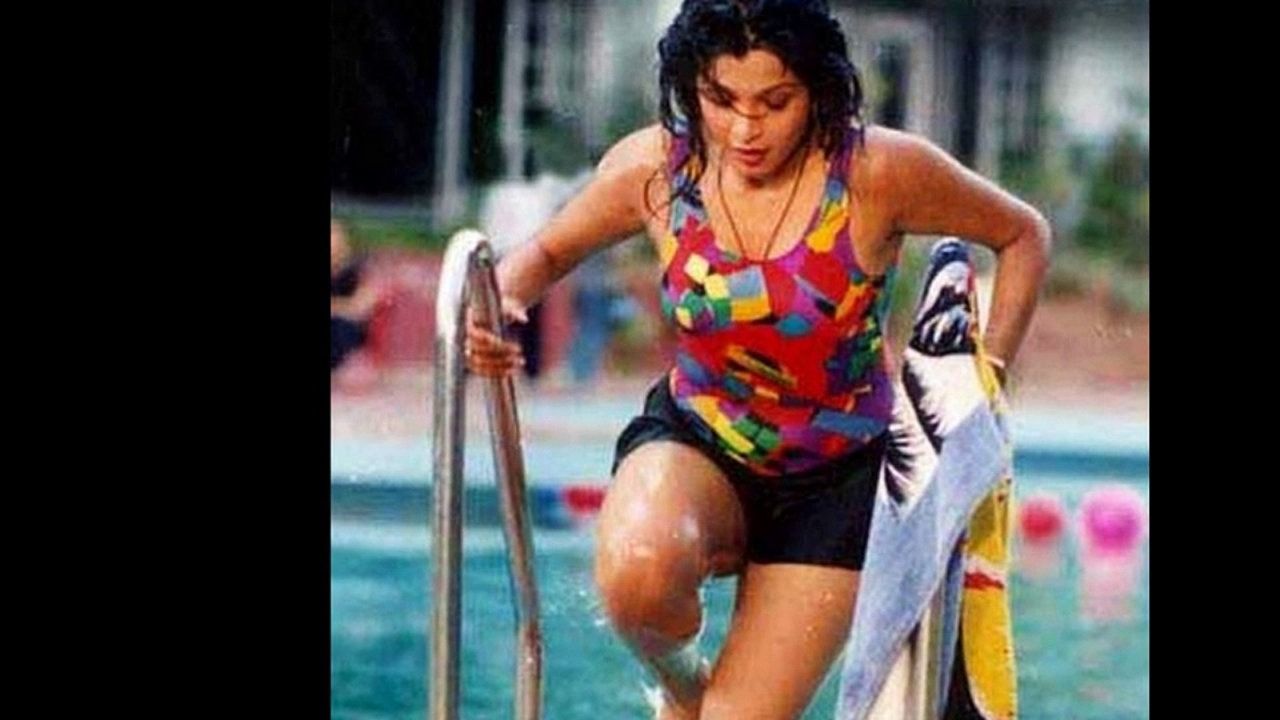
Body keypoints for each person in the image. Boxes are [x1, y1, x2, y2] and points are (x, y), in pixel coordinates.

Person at [466, 1, 1050, 717]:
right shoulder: (657, 169)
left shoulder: (876, 172)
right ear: (691, 85)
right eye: (721, 99)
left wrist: (988, 386)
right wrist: (500, 302)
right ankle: (685, 692)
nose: (745, 129)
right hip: (699, 442)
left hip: (835, 483)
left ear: (818, 88)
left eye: (775, 102)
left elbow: (1023, 236)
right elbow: (547, 252)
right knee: (637, 575)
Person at [331, 219, 380, 371]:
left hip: (345, 330)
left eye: (334, 236)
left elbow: (362, 306)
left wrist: (336, 307)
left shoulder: (358, 271)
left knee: (339, 328)